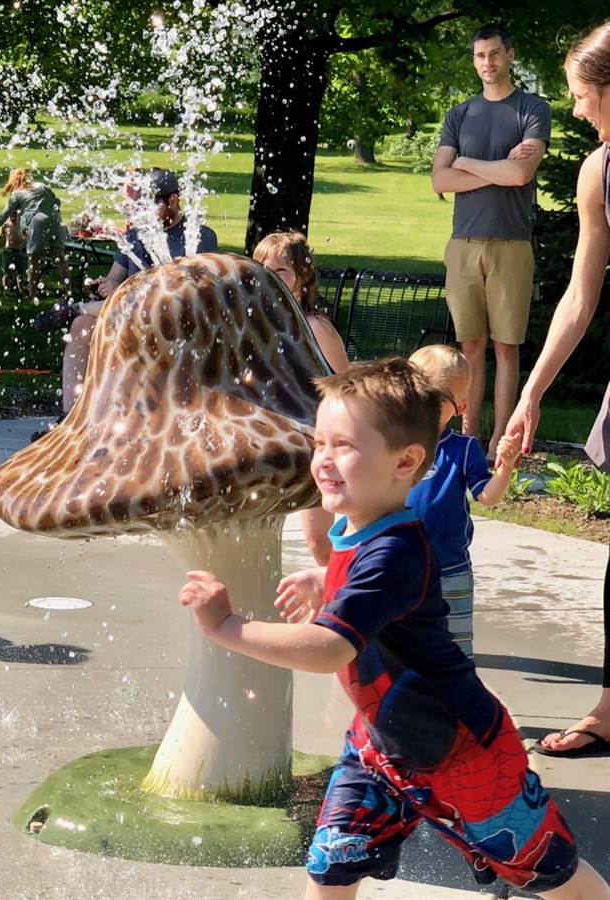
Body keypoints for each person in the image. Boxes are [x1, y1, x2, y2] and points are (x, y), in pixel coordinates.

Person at [180, 358, 608, 900]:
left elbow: (328, 648)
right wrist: (324, 579)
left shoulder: (395, 552)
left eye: (345, 446)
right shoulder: (360, 526)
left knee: (553, 875)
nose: (324, 460)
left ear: (406, 461)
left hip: (465, 754)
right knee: (332, 866)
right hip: (379, 749)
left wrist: (226, 626)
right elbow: (359, 579)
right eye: (320, 444)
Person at [503, 18, 610, 760]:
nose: (575, 111)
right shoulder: (598, 171)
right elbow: (579, 295)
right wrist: (532, 392)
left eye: (581, 95)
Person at [431, 23, 551, 459]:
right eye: (481, 56)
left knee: (506, 346)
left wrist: (467, 163)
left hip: (511, 245)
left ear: (511, 55)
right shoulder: (459, 114)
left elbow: (520, 174)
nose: (488, 63)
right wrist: (493, 166)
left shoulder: (532, 108)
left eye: (495, 54)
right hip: (463, 244)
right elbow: (439, 179)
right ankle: (468, 439)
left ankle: (504, 440)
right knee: (471, 348)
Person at [31, 168, 218, 441]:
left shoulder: (200, 236)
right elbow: (114, 280)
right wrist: (103, 287)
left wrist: (120, 292)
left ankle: (72, 307)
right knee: (82, 325)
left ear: (173, 201)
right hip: (127, 313)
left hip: (170, 322)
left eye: (151, 204)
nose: (144, 212)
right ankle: (70, 419)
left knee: (137, 301)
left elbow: (182, 291)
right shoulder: (135, 236)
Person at [407, 344, 522, 658]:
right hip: (401, 565)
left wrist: (505, 468)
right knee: (402, 643)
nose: (427, 405)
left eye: (439, 399)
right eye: (421, 394)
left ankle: (458, 701)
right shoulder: (393, 444)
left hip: (451, 567)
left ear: (460, 406)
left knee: (455, 647)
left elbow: (488, 497)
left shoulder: (464, 449)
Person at [253, 231, 349, 567]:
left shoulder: (314, 327)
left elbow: (344, 388)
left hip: (318, 441)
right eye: (262, 267)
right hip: (278, 440)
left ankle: (342, 603)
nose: (269, 276)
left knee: (319, 541)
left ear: (303, 278)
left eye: (281, 270)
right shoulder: (257, 326)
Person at [0, 168, 71, 305]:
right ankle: (69, 292)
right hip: (56, 218)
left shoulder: (17, 194)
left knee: (34, 259)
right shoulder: (41, 186)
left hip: (38, 221)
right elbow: (57, 202)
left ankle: (32, 294)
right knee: (60, 257)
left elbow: (4, 216)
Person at [0, 210, 27, 293]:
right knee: (7, 271)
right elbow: (0, 236)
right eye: (11, 215)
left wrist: (23, 242)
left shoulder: (21, 225)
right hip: (8, 251)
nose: (13, 217)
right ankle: (6, 288)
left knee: (21, 272)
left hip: (18, 251)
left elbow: (26, 237)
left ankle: (21, 289)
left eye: (15, 215)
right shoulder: (6, 225)